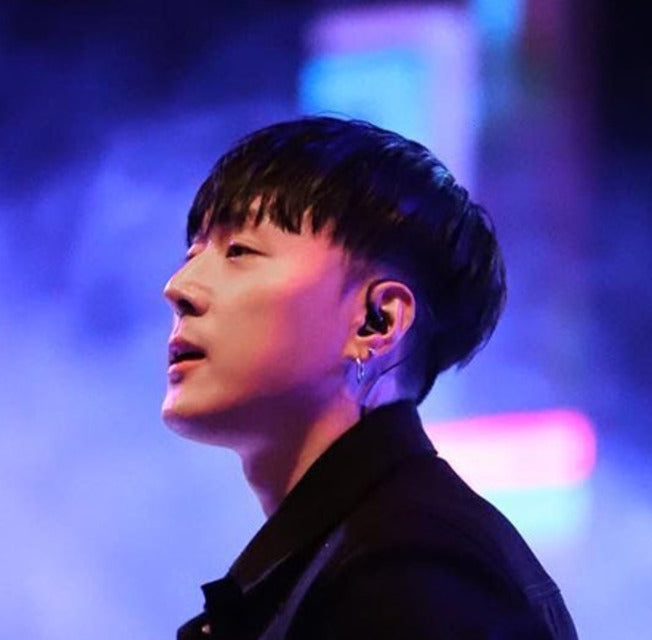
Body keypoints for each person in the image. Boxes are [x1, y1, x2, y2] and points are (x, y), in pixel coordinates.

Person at [162, 117, 577, 639]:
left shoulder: (409, 570)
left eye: (239, 251)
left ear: (376, 322)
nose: (178, 287)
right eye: (193, 254)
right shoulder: (368, 555)